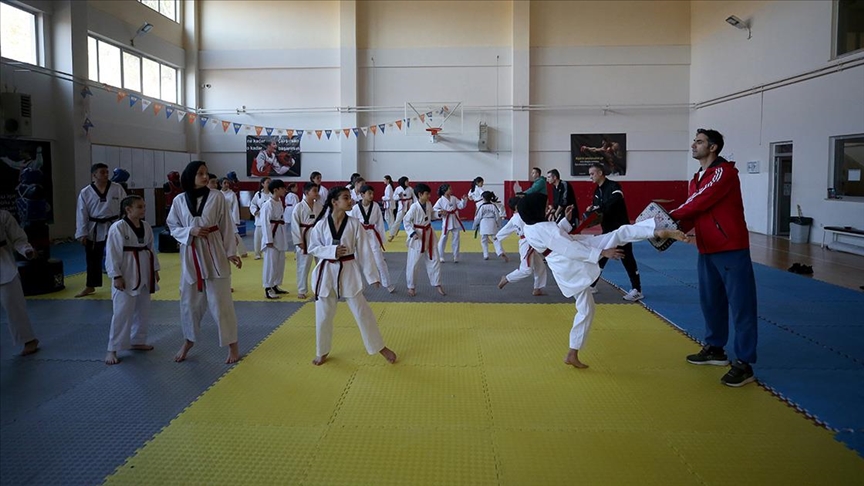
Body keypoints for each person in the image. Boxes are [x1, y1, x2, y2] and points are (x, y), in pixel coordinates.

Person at [519, 193, 688, 368]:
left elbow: (556, 237)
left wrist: (565, 221)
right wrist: (602, 253)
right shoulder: (544, 229)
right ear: (535, 209)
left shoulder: (533, 227)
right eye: (546, 205)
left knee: (619, 234)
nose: (549, 207)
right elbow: (566, 247)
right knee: (586, 309)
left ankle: (655, 231)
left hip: (571, 253)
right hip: (569, 262)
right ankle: (572, 352)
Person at [670, 128, 758, 388]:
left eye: (699, 142)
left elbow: (700, 201)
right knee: (711, 302)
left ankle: (744, 362)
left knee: (741, 306)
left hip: (730, 248)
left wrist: (668, 216)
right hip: (706, 249)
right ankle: (716, 349)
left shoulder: (723, 172)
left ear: (713, 147)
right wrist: (669, 231)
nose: (693, 145)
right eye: (694, 141)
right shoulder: (696, 178)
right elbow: (693, 213)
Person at [307, 187, 397, 366]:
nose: (350, 201)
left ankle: (379, 347)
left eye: (350, 198)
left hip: (349, 272)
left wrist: (372, 276)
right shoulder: (321, 224)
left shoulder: (355, 224)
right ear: (335, 202)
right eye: (346, 198)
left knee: (363, 313)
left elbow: (364, 251)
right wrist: (332, 251)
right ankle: (322, 351)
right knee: (323, 315)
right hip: (326, 273)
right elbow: (313, 248)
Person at [167, 161, 243, 365]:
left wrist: (230, 252)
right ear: (189, 176)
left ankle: (232, 344)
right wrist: (189, 231)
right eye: (200, 173)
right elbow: (172, 225)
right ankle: (188, 341)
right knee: (189, 303)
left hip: (215, 251)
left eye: (206, 173)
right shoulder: (179, 200)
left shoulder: (217, 196)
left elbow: (226, 225)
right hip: (191, 253)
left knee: (221, 303)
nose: (205, 177)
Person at [104, 195, 160, 365]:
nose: (143, 209)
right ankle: (112, 348)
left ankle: (137, 340)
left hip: (144, 269)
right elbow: (112, 253)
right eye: (139, 207)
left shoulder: (146, 226)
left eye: (144, 206)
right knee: (122, 311)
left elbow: (151, 248)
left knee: (143, 308)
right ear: (128, 209)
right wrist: (116, 275)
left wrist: (155, 269)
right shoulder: (118, 227)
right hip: (126, 272)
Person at [586, 162, 643, 301]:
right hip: (607, 230)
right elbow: (597, 210)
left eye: (592, 174)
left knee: (627, 257)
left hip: (621, 230)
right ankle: (592, 284)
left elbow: (616, 199)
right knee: (601, 256)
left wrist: (599, 208)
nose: (590, 177)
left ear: (600, 173)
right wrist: (591, 211)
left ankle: (637, 289)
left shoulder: (614, 186)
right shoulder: (596, 192)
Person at [75, 163, 127, 298]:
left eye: (107, 172)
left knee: (119, 255)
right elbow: (82, 213)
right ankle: (90, 285)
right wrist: (82, 233)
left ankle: (123, 281)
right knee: (93, 258)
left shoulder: (117, 188)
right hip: (95, 228)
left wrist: (126, 226)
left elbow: (126, 207)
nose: (105, 175)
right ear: (94, 175)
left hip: (114, 225)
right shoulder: (85, 192)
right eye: (102, 172)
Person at [0, 209, 39, 356]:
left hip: (3, 264)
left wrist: (26, 250)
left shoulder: (3, 215)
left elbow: (18, 238)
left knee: (13, 303)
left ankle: (28, 339)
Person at [496, 197, 547, 296]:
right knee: (526, 270)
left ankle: (538, 288)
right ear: (516, 206)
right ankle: (507, 278)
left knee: (540, 266)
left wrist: (497, 238)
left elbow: (505, 230)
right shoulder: (522, 216)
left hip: (529, 241)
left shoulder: (514, 218)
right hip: (527, 243)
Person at [349, 184, 395, 293]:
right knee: (355, 261)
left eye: (372, 193)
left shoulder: (375, 206)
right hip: (359, 235)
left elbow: (379, 223)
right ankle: (358, 285)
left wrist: (381, 239)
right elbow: (351, 223)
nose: (371, 195)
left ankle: (387, 284)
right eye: (369, 193)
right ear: (362, 195)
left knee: (379, 260)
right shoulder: (355, 208)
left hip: (372, 235)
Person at [403, 183, 445, 297]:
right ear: (420, 194)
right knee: (414, 262)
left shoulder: (428, 203)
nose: (429, 196)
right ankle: (411, 286)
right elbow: (406, 221)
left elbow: (431, 215)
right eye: (427, 194)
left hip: (429, 234)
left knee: (435, 259)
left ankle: (437, 283)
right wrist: (412, 233)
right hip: (418, 236)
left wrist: (438, 214)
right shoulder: (414, 207)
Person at [291, 182, 322, 300]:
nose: (317, 193)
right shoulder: (298, 207)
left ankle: (319, 288)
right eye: (314, 190)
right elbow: (294, 225)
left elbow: (324, 222)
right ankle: (302, 289)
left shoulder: (319, 206)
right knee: (303, 266)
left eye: (317, 190)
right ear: (306, 192)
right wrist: (298, 241)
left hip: (317, 237)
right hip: (304, 237)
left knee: (320, 264)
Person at [260, 179, 290, 299]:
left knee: (279, 263)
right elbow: (265, 223)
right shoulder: (267, 205)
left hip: (279, 235)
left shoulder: (279, 202)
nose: (284, 190)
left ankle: (275, 285)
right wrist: (268, 240)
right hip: (271, 237)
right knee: (270, 264)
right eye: (282, 188)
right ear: (275, 190)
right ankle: (268, 287)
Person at [433, 184, 467, 263]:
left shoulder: (454, 198)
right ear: (445, 190)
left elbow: (461, 206)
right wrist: (441, 212)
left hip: (455, 219)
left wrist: (464, 200)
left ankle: (456, 256)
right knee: (443, 238)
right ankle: (440, 256)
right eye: (449, 189)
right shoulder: (441, 200)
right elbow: (435, 209)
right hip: (447, 220)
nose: (451, 190)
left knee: (456, 239)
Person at [473, 191, 509, 262]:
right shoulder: (493, 206)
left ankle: (486, 255)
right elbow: (497, 216)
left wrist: (474, 225)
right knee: (495, 239)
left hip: (484, 223)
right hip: (492, 223)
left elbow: (478, 217)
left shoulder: (481, 207)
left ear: (483, 198)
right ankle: (499, 251)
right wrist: (498, 224)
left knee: (484, 240)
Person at [220, 177, 248, 258]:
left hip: (229, 216)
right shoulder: (218, 194)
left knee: (235, 234)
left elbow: (235, 207)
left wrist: (235, 220)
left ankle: (242, 251)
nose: (227, 184)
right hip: (219, 216)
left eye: (227, 183)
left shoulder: (232, 194)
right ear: (220, 184)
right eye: (224, 183)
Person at [248, 177, 271, 260]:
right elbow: (253, 204)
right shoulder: (258, 194)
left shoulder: (273, 193)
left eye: (270, 182)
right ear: (262, 184)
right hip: (260, 218)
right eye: (267, 182)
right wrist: (254, 212)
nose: (269, 183)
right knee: (258, 237)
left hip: (270, 219)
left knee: (268, 237)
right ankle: (257, 253)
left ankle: (267, 252)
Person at [388, 176, 415, 241]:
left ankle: (413, 234)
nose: (408, 182)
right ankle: (392, 234)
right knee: (398, 220)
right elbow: (394, 197)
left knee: (411, 220)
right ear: (403, 182)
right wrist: (398, 196)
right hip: (401, 206)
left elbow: (415, 197)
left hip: (409, 205)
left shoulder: (410, 189)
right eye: (406, 181)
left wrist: (416, 205)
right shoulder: (398, 189)